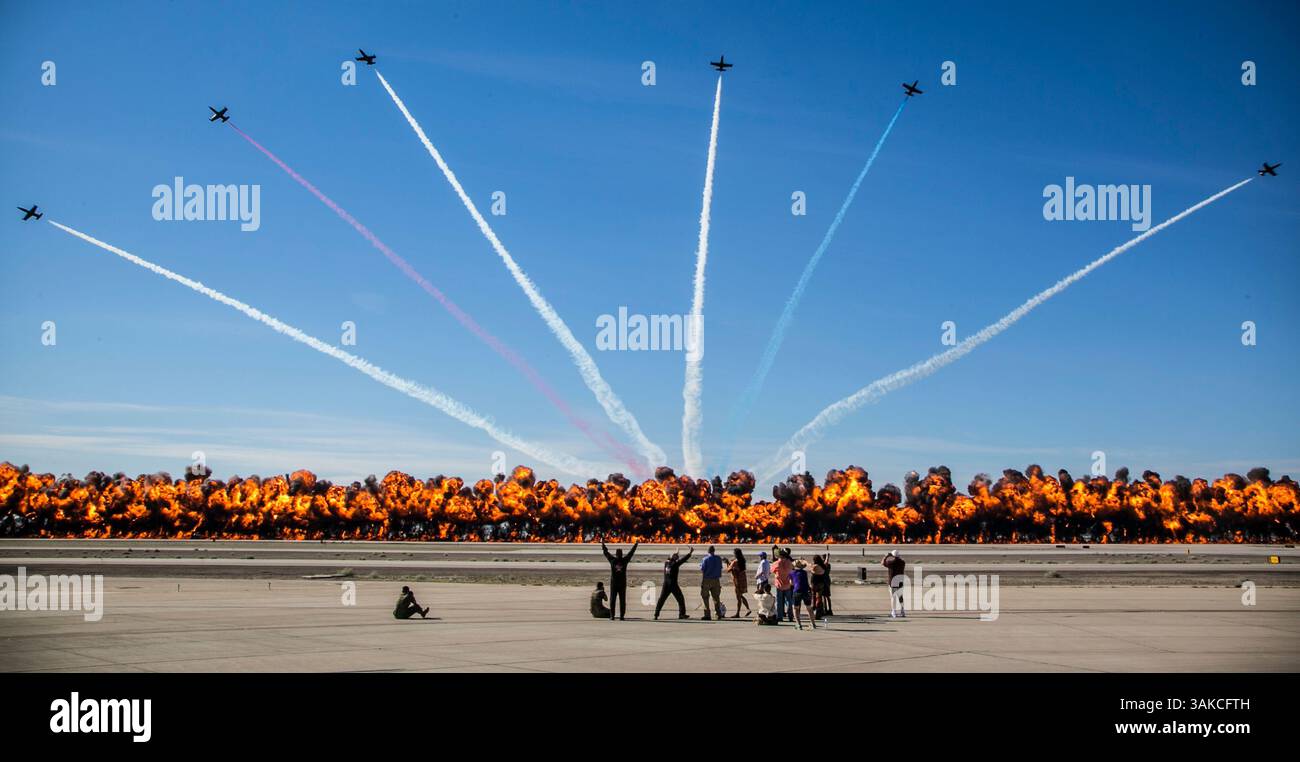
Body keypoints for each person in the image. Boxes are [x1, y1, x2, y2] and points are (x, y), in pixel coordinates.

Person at [601, 538, 639, 620]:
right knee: (622, 601)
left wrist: (603, 544)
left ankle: (612, 616)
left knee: (612, 600)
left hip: (614, 583)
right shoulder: (624, 560)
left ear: (616, 554)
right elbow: (631, 553)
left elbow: (606, 553)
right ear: (621, 554)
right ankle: (621, 616)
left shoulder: (613, 561)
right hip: (622, 584)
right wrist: (636, 544)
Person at [655, 546, 694, 620]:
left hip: (666, 584)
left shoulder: (666, 563)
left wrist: (676, 552)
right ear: (674, 557)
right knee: (680, 599)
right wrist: (690, 553)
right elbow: (683, 560)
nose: (678, 557)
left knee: (661, 599)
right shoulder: (675, 564)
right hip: (673, 585)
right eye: (676, 556)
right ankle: (682, 614)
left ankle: (656, 614)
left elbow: (671, 558)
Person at [698, 545, 725, 620]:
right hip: (716, 580)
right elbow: (720, 567)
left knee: (705, 597)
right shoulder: (718, 558)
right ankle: (718, 614)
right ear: (714, 551)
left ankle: (707, 614)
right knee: (716, 597)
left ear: (708, 551)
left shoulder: (705, 559)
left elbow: (702, 569)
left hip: (707, 579)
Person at [789, 559, 817, 630]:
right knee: (809, 608)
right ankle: (813, 624)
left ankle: (798, 624)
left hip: (797, 591)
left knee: (796, 608)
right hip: (806, 591)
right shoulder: (804, 572)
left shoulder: (791, 573)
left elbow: (791, 583)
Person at [725, 548, 752, 618]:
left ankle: (738, 613)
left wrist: (727, 562)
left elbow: (728, 570)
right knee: (741, 596)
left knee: (738, 598)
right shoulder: (742, 561)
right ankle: (748, 609)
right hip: (743, 581)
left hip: (737, 582)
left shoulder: (735, 562)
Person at [771, 549, 794, 623]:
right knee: (789, 601)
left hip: (779, 585)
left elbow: (772, 571)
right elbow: (792, 570)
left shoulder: (776, 563)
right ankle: (790, 616)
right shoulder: (789, 563)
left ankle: (780, 616)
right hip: (787, 585)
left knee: (779, 602)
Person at [882, 549, 906, 617]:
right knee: (900, 597)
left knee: (893, 597)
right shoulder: (902, 562)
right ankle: (902, 611)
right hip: (900, 581)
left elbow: (882, 563)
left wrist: (886, 556)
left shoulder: (890, 563)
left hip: (892, 582)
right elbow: (900, 559)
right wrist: (897, 556)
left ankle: (894, 612)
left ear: (892, 556)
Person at [811, 553, 834, 618]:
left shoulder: (814, 566)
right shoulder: (824, 566)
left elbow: (809, 567)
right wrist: (827, 557)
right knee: (820, 598)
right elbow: (826, 563)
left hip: (814, 583)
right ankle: (821, 611)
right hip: (821, 583)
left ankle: (815, 609)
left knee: (814, 597)